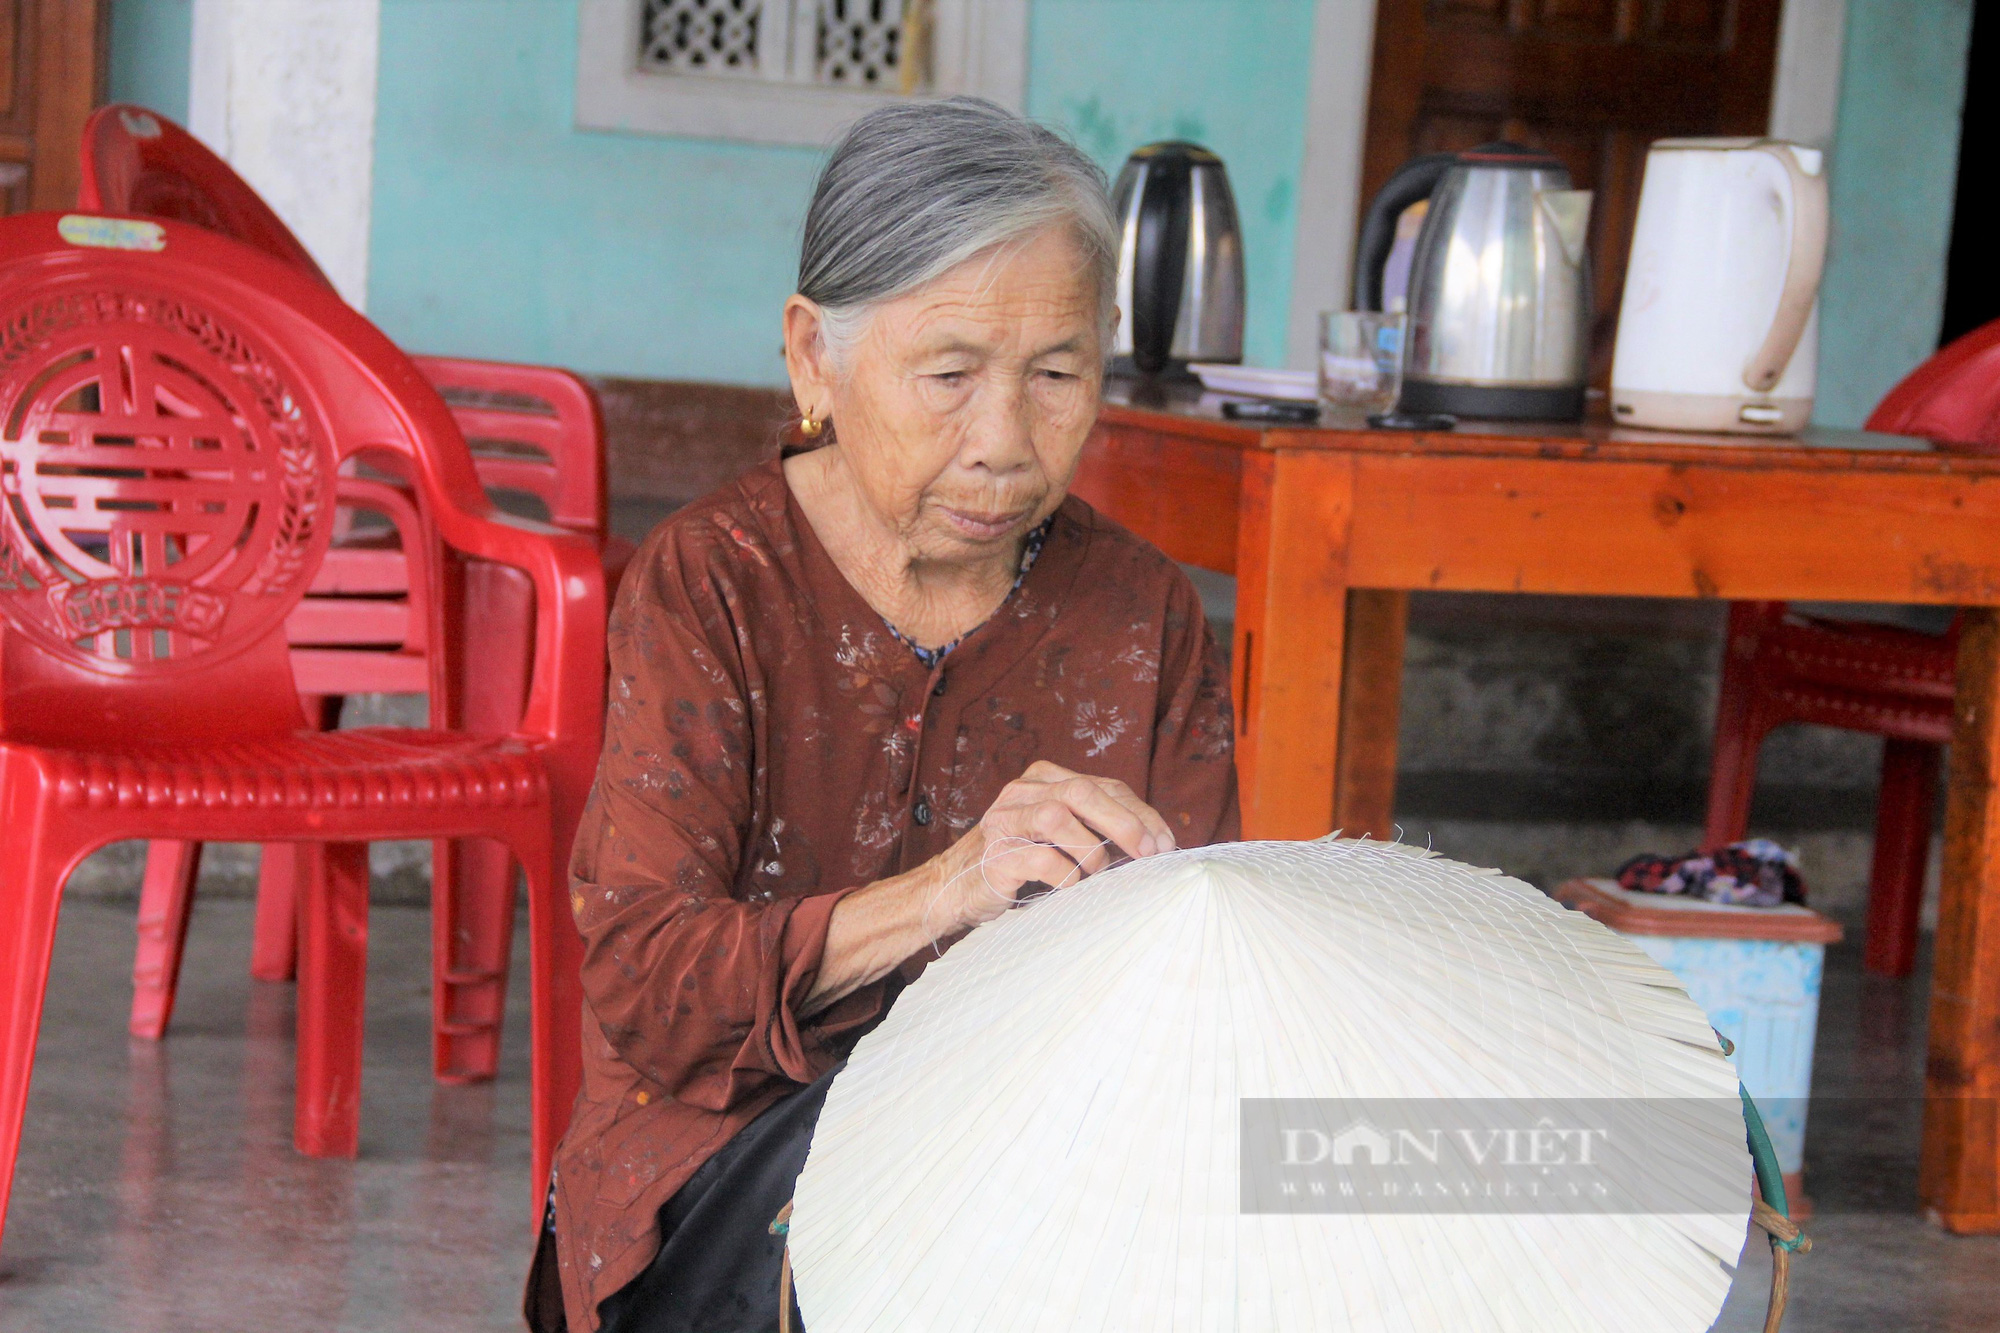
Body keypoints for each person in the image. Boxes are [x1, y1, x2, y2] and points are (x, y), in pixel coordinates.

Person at [528, 96, 1239, 1333]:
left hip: (1047, 1164)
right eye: (950, 375)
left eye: (1058, 374)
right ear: (814, 356)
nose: (1004, 444)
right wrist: (947, 891)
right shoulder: (716, 583)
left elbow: (1195, 992)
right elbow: (646, 984)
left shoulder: (1141, 612)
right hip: (730, 1170)